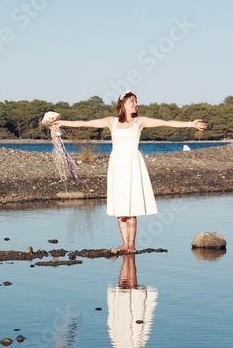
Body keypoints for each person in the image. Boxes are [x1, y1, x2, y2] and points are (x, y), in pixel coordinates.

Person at [52, 91, 207, 252]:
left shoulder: (140, 122)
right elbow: (85, 123)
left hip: (133, 164)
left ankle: (131, 245)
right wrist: (61, 123)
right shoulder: (111, 122)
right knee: (120, 208)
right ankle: (124, 243)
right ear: (123, 104)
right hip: (117, 164)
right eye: (132, 101)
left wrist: (190, 124)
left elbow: (165, 123)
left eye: (136, 101)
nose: (136, 104)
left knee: (131, 207)